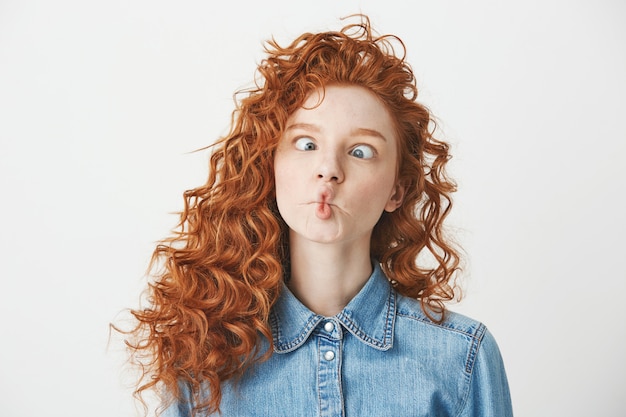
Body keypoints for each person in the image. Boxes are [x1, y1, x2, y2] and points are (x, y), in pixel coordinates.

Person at [122, 14, 513, 417]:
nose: (328, 168)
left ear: (397, 189)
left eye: (361, 151)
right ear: (270, 167)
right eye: (306, 143)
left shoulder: (462, 357)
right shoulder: (208, 357)